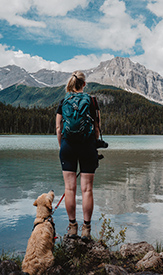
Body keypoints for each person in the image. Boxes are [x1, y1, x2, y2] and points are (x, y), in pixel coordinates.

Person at [56, 71, 101, 241]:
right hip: (87, 146)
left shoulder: (63, 101)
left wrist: (63, 146)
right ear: (84, 84)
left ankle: (72, 227)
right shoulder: (91, 100)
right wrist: (92, 143)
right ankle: (86, 230)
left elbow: (59, 128)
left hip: (67, 146)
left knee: (69, 189)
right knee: (87, 189)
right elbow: (97, 128)